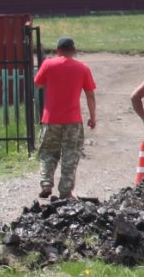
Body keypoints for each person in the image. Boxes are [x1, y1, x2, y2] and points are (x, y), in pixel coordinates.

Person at [32, 36, 97, 199]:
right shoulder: (82, 68)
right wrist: (92, 117)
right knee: (70, 155)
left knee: (47, 152)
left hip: (50, 119)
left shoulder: (48, 64)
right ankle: (65, 191)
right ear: (73, 50)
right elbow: (90, 95)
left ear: (58, 50)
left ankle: (46, 183)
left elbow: (38, 84)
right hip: (73, 120)